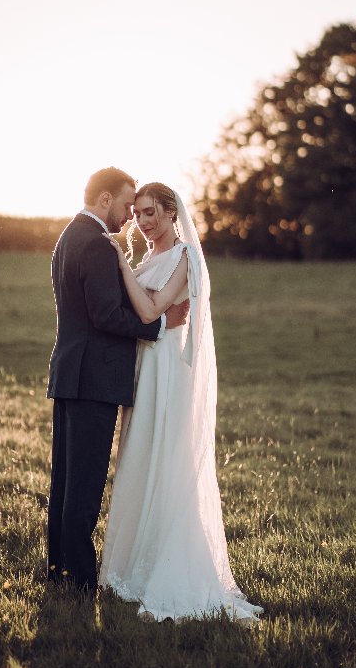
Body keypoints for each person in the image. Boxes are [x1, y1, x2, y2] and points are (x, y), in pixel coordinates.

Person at [99, 182, 263, 625]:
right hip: (143, 368)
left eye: (151, 212)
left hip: (167, 370)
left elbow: (152, 312)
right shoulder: (149, 259)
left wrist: (120, 263)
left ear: (173, 213)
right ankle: (133, 564)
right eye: (137, 213)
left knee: (166, 460)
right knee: (139, 457)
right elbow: (142, 308)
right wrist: (136, 286)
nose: (143, 221)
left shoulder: (185, 257)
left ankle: (173, 573)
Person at [46, 168, 189, 594]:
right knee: (85, 486)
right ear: (105, 200)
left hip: (71, 373)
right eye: (128, 204)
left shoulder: (68, 237)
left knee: (65, 482)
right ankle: (81, 580)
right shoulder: (95, 244)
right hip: (94, 379)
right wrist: (160, 325)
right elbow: (106, 315)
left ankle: (59, 569)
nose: (131, 215)